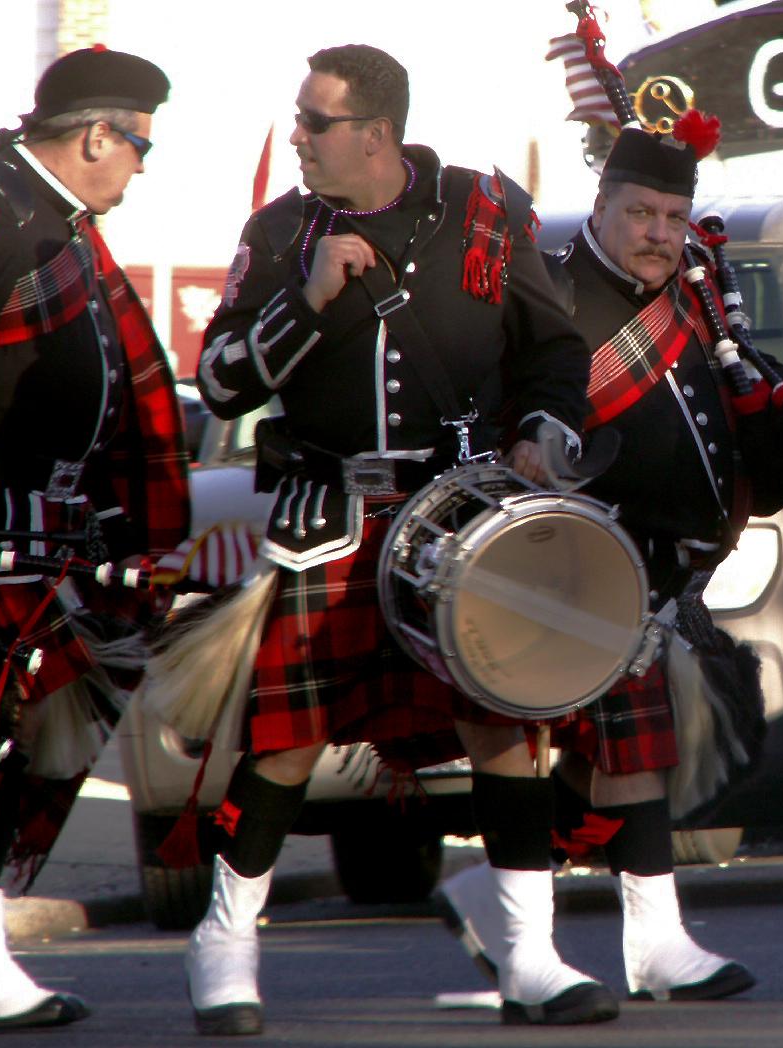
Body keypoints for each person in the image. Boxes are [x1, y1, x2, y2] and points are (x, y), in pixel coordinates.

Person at [184, 44, 609, 1034]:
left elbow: (552, 348)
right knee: (285, 745)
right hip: (330, 517)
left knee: (503, 730)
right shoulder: (284, 229)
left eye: (313, 122)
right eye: (299, 120)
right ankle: (225, 944)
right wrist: (311, 299)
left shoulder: (485, 209)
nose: (297, 137)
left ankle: (532, 956)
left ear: (373, 132)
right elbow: (221, 383)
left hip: (458, 518)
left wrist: (549, 431)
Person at [432, 110, 783, 1005]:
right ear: (603, 202)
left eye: (672, 216)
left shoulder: (692, 293)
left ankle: (653, 941)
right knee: (524, 748)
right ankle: (525, 945)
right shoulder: (548, 297)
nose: (659, 234)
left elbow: (733, 388)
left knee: (630, 760)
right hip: (563, 570)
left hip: (661, 574)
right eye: (640, 214)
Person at [0, 47, 188, 1030]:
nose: (143, 166)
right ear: (93, 135)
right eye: (140, 145)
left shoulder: (50, 220)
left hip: (30, 535)